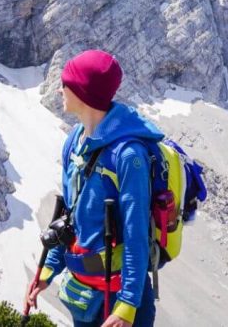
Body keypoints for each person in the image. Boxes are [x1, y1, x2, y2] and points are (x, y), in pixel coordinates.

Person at [25, 49, 160, 327]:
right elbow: (70, 217)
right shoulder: (74, 141)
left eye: (67, 83)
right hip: (84, 295)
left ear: (84, 92)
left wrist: (127, 306)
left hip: (118, 301)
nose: (61, 87)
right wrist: (48, 270)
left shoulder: (128, 156)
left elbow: (136, 235)